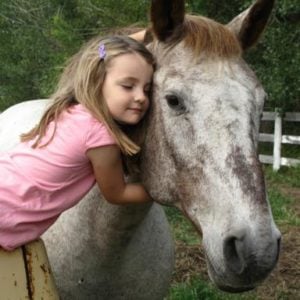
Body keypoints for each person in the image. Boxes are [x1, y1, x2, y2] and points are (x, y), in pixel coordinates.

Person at [0, 33, 154, 252]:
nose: (141, 97)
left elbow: (97, 54)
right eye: (128, 86)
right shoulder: (101, 138)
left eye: (147, 90)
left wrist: (148, 34)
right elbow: (117, 193)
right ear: (96, 81)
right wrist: (169, 191)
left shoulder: (72, 109)